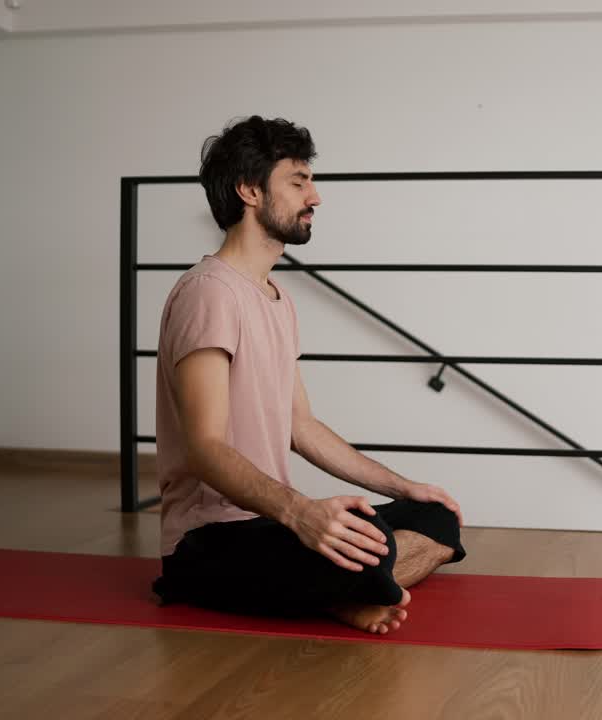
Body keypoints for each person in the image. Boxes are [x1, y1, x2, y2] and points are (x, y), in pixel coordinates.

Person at [150, 116, 465, 634]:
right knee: (365, 546)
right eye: (298, 182)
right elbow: (205, 447)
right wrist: (301, 513)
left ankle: (348, 589)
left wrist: (404, 487)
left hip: (268, 523)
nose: (315, 197)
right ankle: (344, 586)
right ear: (249, 190)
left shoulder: (277, 299)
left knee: (435, 519)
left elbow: (301, 425)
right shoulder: (209, 293)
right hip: (210, 538)